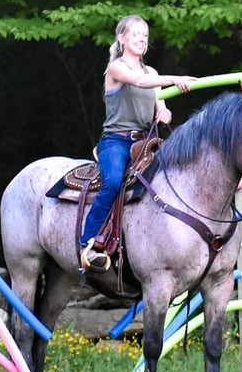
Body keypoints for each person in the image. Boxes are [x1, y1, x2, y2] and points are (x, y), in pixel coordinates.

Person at [80, 14, 194, 271]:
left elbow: (160, 108)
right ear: (122, 38)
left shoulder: (152, 72)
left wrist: (164, 114)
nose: (142, 39)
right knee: (112, 182)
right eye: (136, 34)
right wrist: (175, 79)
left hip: (145, 141)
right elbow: (141, 82)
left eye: (145, 35)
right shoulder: (116, 68)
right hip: (116, 141)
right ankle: (87, 241)